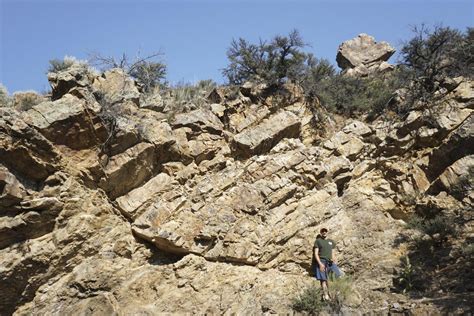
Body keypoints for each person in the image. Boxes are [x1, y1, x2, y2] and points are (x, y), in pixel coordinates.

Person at [313, 227, 343, 301]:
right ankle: (326, 295)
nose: (324, 232)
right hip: (322, 261)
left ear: (327, 232)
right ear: (321, 232)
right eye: (322, 231)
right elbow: (316, 253)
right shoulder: (318, 241)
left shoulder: (331, 242)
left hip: (330, 262)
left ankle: (337, 292)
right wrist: (320, 264)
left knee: (337, 275)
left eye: (325, 231)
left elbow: (332, 253)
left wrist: (334, 260)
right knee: (323, 279)